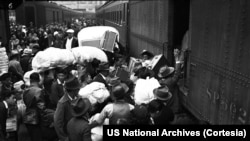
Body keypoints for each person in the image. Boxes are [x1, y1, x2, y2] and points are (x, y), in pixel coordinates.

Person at [22, 72, 55, 141]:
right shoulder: (39, 91)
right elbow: (41, 107)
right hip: (35, 119)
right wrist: (46, 122)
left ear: (30, 80)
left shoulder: (25, 91)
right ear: (39, 80)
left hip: (27, 117)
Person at [54, 76, 80, 141]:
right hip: (69, 135)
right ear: (74, 90)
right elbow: (57, 123)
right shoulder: (62, 103)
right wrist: (64, 138)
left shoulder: (78, 98)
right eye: (78, 89)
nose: (79, 90)